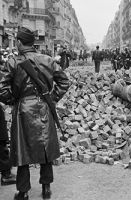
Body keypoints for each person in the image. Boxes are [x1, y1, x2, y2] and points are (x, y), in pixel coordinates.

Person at [0, 27, 70, 200]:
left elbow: (2, 89)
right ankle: (46, 188)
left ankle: (23, 192)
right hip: (44, 107)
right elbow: (64, 81)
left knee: (22, 151)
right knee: (45, 147)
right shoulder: (48, 60)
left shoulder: (13, 62)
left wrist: (13, 100)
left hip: (23, 109)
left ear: (19, 42)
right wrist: (51, 98)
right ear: (33, 42)